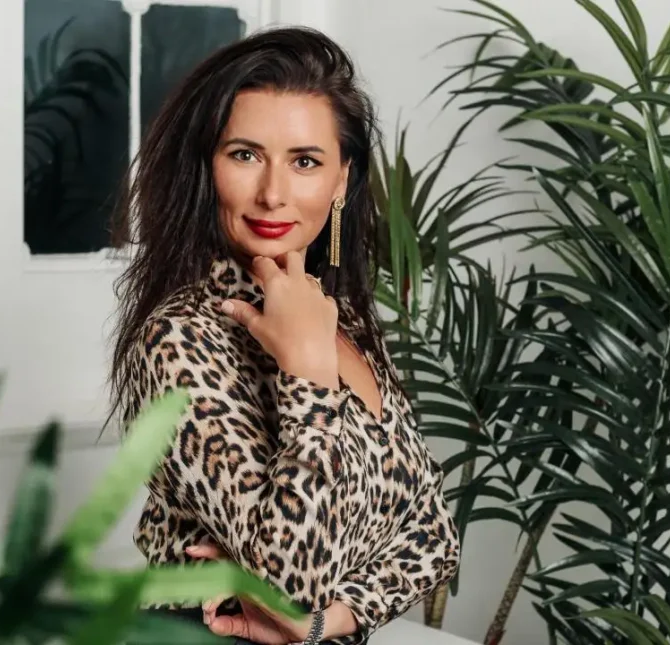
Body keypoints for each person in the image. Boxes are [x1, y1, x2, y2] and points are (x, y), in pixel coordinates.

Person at [107, 25, 461, 645]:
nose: (273, 194)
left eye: (305, 161)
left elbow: (434, 539)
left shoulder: (339, 319)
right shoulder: (179, 340)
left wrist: (328, 620)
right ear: (206, 167)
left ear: (341, 179)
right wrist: (307, 375)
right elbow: (295, 580)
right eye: (245, 155)